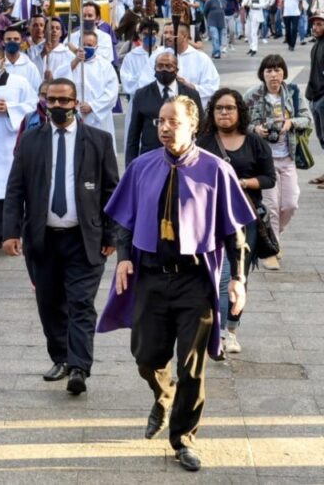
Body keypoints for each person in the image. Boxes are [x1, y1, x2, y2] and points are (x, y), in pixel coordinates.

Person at [98, 95, 254, 473]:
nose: (165, 128)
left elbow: (236, 232)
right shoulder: (141, 167)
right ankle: (162, 394)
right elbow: (124, 221)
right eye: (160, 122)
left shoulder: (216, 169)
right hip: (151, 276)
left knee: (192, 366)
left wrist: (237, 279)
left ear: (193, 126)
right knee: (146, 357)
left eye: (174, 122)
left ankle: (183, 436)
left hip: (194, 281)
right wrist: (122, 261)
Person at [4, 78, 119, 395]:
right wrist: (11, 231)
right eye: (51, 100)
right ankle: (61, 357)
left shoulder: (98, 140)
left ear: (75, 101)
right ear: (44, 102)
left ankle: (79, 367)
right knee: (49, 303)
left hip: (84, 238)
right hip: (43, 239)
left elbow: (112, 190)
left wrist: (112, 233)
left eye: (64, 101)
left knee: (81, 303)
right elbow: (15, 189)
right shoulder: (30, 140)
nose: (57, 106)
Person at [196, 89, 275, 355]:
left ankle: (229, 330)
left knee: (234, 275)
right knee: (213, 275)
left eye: (229, 108)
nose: (224, 113)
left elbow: (269, 178)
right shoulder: (203, 142)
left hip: (245, 218)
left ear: (239, 111)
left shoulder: (254, 142)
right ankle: (213, 325)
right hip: (209, 218)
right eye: (219, 108)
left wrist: (241, 183)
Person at [244, 54, 312, 270]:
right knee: (271, 207)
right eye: (269, 71)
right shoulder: (253, 95)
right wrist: (255, 129)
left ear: (283, 73)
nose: (273, 75)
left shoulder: (292, 93)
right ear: (262, 74)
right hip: (264, 160)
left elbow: (307, 119)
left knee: (291, 204)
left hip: (287, 156)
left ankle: (271, 235)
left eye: (277, 70)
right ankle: (272, 251)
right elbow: (241, 122)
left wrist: (290, 122)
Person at [0, 45, 35, 250]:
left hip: (12, 141)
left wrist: (9, 108)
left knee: (13, 188)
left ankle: (15, 231)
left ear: (3, 61)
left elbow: (32, 106)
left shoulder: (19, 83)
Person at [126, 52, 203, 165]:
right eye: (160, 66)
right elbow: (133, 135)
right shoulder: (141, 95)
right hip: (150, 159)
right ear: (154, 68)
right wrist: (130, 165)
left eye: (168, 66)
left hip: (184, 159)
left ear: (176, 69)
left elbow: (200, 130)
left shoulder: (191, 94)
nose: (164, 70)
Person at [54, 30, 120, 152]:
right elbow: (58, 80)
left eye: (90, 45)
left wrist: (93, 106)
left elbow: (111, 93)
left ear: (96, 47)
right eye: (83, 44)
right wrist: (76, 61)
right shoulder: (71, 62)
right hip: (74, 116)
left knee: (98, 151)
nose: (86, 47)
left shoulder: (105, 66)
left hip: (97, 117)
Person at [163, 23, 220, 107]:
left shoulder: (201, 58)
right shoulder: (159, 56)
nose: (167, 36)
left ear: (185, 36)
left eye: (172, 33)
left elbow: (212, 87)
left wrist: (190, 86)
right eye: (165, 33)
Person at [305, 12, 324, 156]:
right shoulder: (316, 45)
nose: (315, 28)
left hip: (321, 98)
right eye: (314, 24)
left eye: (319, 24)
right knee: (321, 138)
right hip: (314, 97)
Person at [2, 26, 42, 92]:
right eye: (8, 39)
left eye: (16, 39)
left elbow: (37, 90)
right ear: (3, 42)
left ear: (21, 42)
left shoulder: (30, 67)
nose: (12, 41)